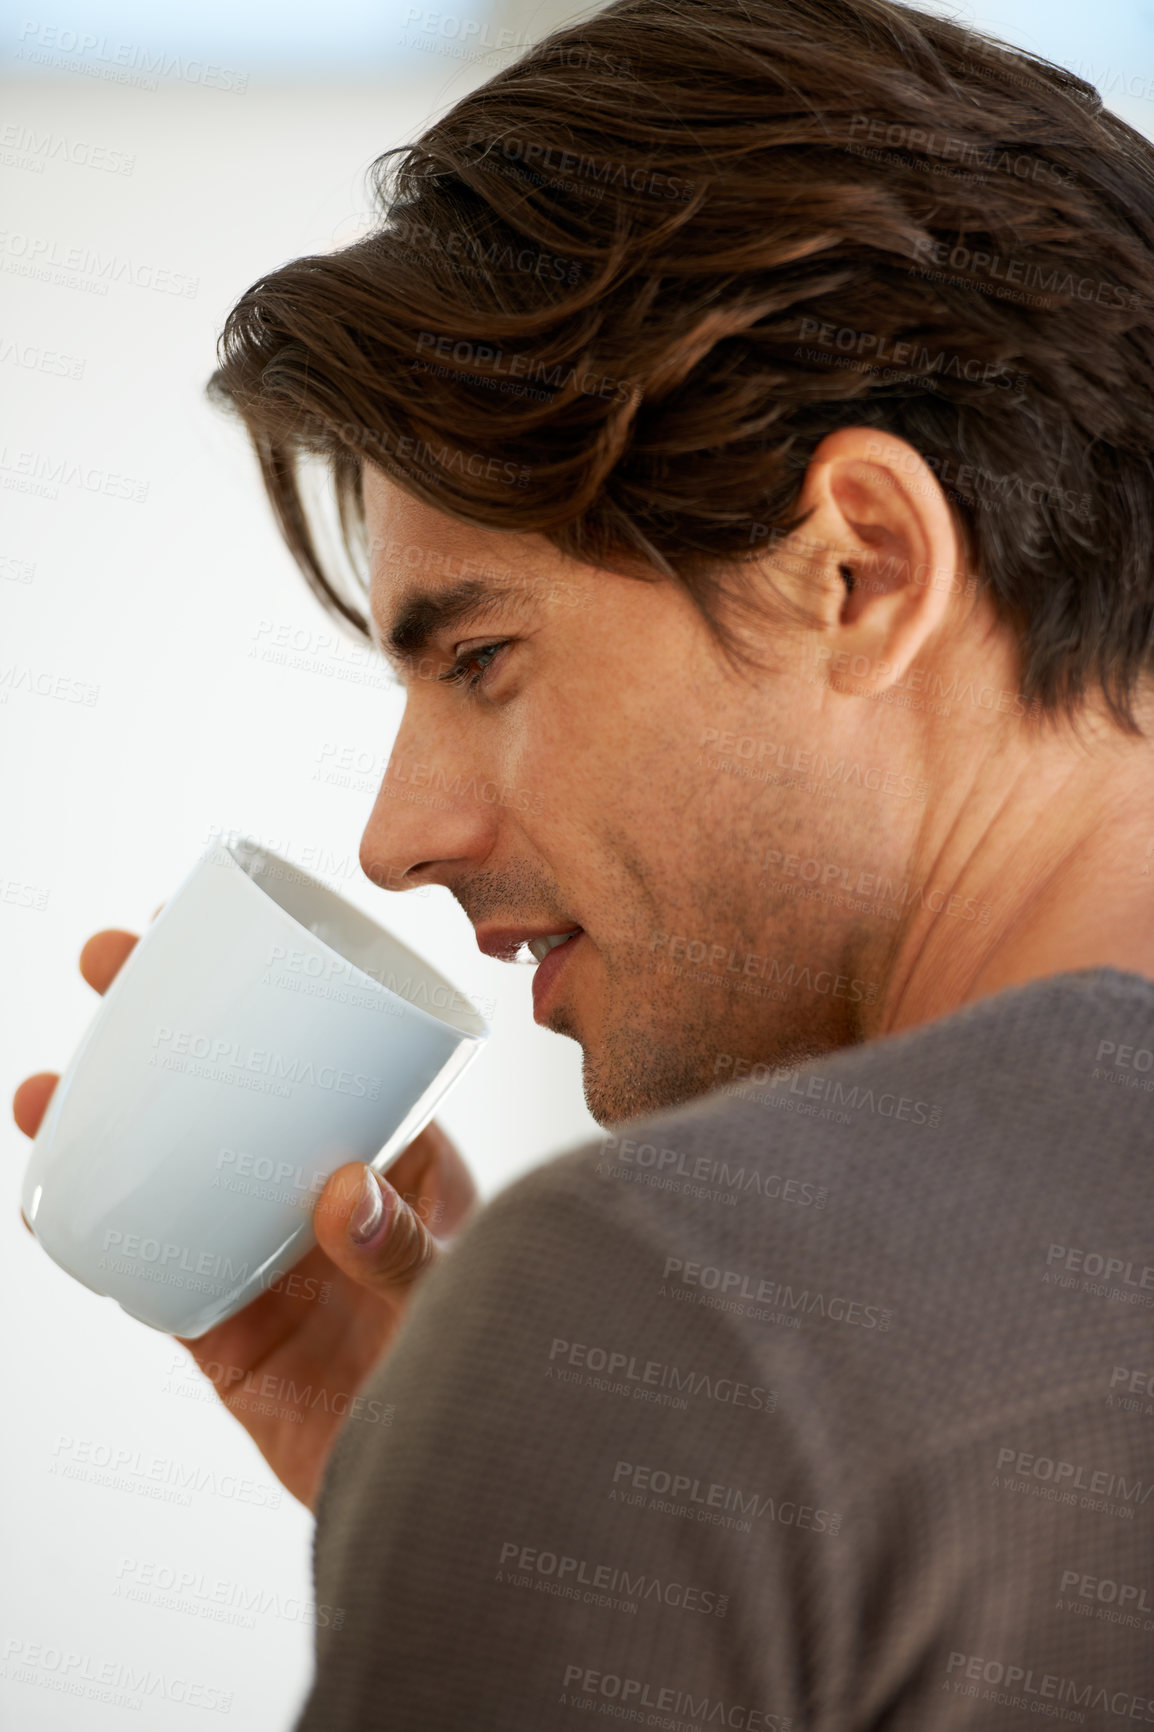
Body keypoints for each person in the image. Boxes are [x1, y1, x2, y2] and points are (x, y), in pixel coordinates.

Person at [15, 0, 1154, 1723]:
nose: (399, 841)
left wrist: (572, 1429)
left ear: (857, 569)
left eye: (479, 659)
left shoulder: (678, 1320)